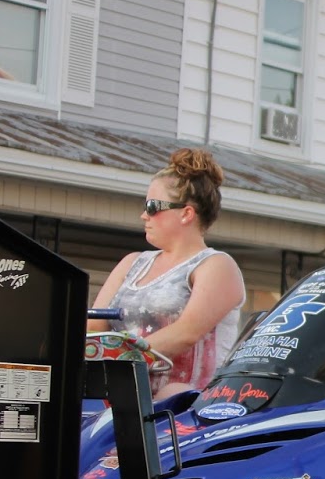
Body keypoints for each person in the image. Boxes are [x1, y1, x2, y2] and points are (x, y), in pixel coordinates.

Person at [88, 147, 246, 397]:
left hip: (185, 413)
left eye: (152, 206)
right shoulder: (132, 263)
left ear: (186, 213)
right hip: (118, 397)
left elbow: (185, 333)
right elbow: (93, 328)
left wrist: (114, 360)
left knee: (172, 393)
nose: (143, 215)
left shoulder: (216, 265)